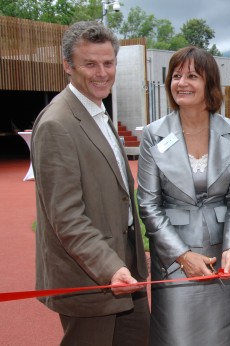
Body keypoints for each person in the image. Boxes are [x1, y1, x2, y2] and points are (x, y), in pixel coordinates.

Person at [31, 21, 150, 345]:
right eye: (90, 64)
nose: (102, 73)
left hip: (123, 268)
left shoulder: (98, 111)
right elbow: (66, 217)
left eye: (108, 63)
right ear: (68, 65)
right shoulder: (57, 124)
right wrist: (109, 267)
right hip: (90, 276)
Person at [137, 46, 230, 345]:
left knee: (225, 337)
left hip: (222, 256)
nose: (182, 83)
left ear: (209, 83)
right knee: (177, 336)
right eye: (176, 76)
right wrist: (182, 255)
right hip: (174, 261)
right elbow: (148, 203)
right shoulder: (153, 134)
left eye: (192, 76)